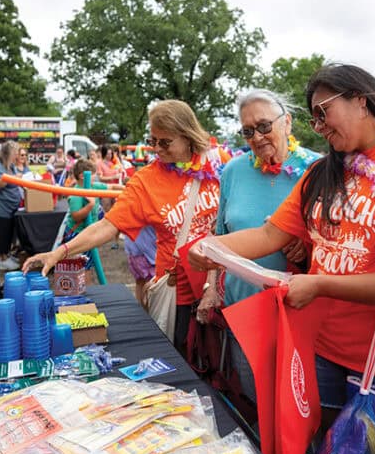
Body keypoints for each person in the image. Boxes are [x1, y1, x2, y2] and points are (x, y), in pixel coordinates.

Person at [188, 64, 375, 432]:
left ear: (361, 101)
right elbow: (270, 236)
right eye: (314, 119)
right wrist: (211, 247)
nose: (319, 126)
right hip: (321, 348)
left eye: (323, 112)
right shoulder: (324, 172)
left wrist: (319, 285)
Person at [23, 100, 230, 350]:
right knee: (185, 364)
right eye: (153, 141)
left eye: (165, 142)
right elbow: (108, 226)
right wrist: (60, 252)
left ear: (187, 136)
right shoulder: (146, 181)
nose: (156, 149)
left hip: (223, 285)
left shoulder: (218, 163)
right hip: (180, 295)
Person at [213, 88, 321, 402]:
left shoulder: (317, 169)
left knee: (302, 401)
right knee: (255, 395)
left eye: (264, 126)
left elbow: (337, 241)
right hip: (245, 307)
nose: (257, 137)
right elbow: (222, 233)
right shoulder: (233, 171)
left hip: (301, 309)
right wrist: (210, 288)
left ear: (286, 123)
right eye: (248, 131)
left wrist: (307, 246)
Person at [0, 140, 22, 270]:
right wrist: (12, 178)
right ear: (8, 153)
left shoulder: (11, 166)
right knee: (3, 233)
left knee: (9, 233)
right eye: (15, 153)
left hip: (10, 206)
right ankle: (2, 259)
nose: (17, 156)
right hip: (1, 206)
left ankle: (7, 255)